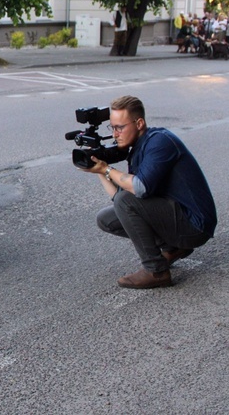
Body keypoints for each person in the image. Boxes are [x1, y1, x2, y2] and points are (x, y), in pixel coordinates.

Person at [80, 96, 217, 289]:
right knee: (106, 218)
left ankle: (157, 271)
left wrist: (107, 170)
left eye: (120, 127)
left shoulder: (160, 141)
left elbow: (139, 188)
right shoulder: (138, 147)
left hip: (195, 224)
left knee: (125, 201)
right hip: (174, 215)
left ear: (139, 123)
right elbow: (119, 198)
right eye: (112, 128)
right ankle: (173, 248)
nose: (115, 134)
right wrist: (98, 170)